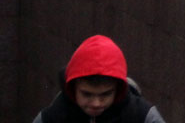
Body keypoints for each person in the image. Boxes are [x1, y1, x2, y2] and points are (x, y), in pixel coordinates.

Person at [32, 34, 165, 123]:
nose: (96, 103)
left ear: (118, 89)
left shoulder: (142, 116)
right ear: (73, 88)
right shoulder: (53, 117)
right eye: (87, 94)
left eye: (105, 94)